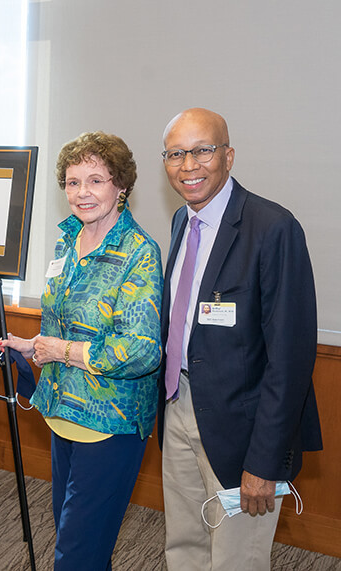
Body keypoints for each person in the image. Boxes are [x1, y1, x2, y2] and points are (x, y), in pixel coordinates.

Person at [158, 107, 322, 570]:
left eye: (202, 150)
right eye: (175, 154)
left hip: (242, 429)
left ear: (228, 156)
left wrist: (265, 461)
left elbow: (290, 361)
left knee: (236, 559)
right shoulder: (180, 222)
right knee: (185, 545)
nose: (188, 165)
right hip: (179, 409)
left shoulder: (273, 228)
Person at [0, 131, 162, 570]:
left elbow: (140, 351)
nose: (82, 192)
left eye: (95, 180)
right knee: (78, 546)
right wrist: (34, 345)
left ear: (120, 185)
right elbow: (66, 323)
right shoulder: (68, 242)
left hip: (109, 424)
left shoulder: (138, 253)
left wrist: (61, 350)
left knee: (76, 556)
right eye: (73, 182)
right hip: (62, 412)